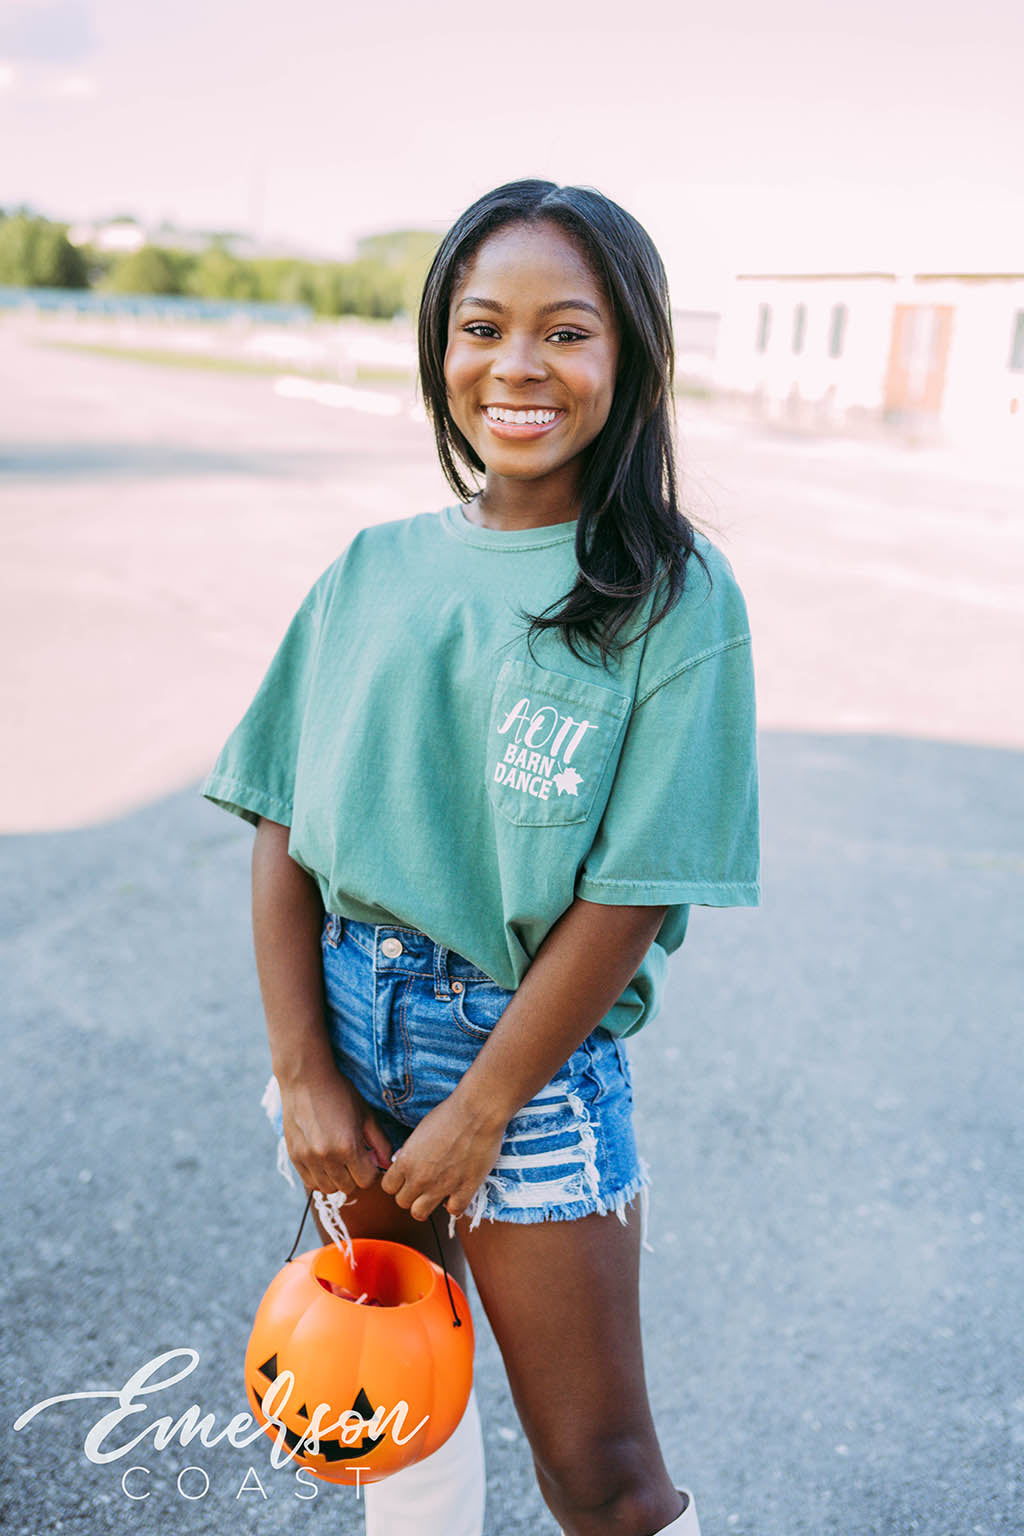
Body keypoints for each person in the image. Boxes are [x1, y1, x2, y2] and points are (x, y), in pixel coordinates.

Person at [202, 178, 760, 1536]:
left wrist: (483, 1107)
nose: (517, 366)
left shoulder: (673, 595)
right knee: (396, 1411)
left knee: (605, 1478)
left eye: (567, 332)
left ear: (628, 361)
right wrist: (301, 1077)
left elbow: (635, 889)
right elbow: (283, 823)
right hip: (347, 1031)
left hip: (529, 1062)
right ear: (439, 347)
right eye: (480, 325)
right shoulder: (370, 569)